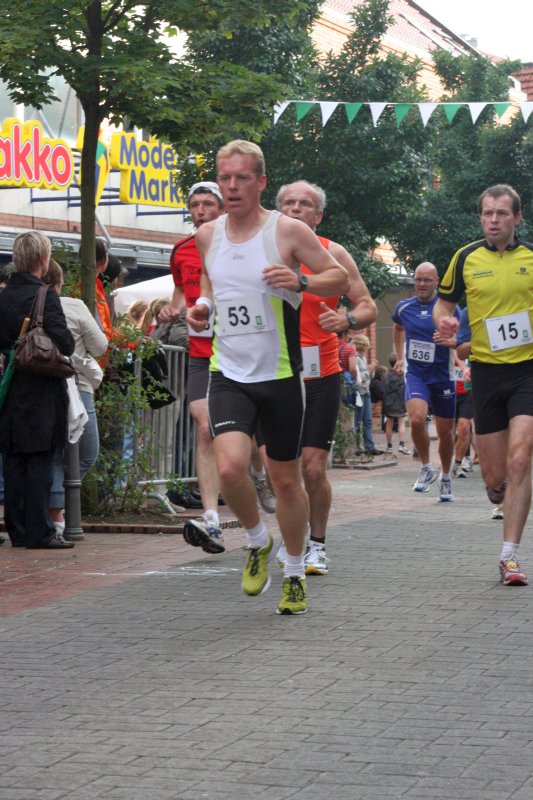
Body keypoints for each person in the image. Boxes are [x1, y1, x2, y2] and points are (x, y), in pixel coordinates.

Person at [187, 140, 350, 615]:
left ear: (260, 181)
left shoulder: (287, 230)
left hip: (280, 376)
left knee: (285, 482)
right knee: (230, 468)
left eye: (241, 178)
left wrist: (300, 281)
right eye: (225, 178)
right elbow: (210, 285)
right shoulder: (208, 235)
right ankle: (258, 540)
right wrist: (202, 309)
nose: (232, 186)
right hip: (228, 372)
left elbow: (338, 277)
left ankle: (295, 574)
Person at [275, 180, 377, 574]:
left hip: (321, 372)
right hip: (274, 372)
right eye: (289, 202)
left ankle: (316, 545)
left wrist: (346, 319)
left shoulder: (333, 253)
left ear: (318, 216)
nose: (296, 208)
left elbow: (367, 306)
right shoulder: (263, 250)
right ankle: (291, 539)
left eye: (305, 204)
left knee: (313, 467)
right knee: (280, 470)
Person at [434, 184, 533, 584]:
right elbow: (444, 303)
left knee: (521, 458)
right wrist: (446, 322)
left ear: (517, 218)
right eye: (488, 214)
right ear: (480, 218)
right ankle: (499, 491)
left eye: (502, 213)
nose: (494, 220)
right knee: (494, 478)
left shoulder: (531, 257)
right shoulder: (465, 257)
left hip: (528, 369)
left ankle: (510, 556)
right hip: (487, 372)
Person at [158, 181, 227, 549]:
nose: (200, 210)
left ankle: (258, 474)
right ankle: (211, 515)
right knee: (204, 428)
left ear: (222, 208)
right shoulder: (181, 250)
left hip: (240, 351)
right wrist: (171, 310)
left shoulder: (239, 245)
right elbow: (181, 293)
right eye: (195, 204)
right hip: (202, 352)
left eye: (208, 203)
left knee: (244, 434)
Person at [0, 231, 75, 549]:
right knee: (40, 461)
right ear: (43, 259)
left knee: (14, 461)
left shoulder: (3, 296)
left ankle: (17, 530)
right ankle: (39, 531)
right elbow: (65, 342)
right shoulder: (45, 294)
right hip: (42, 390)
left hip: (11, 386)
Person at [42, 259, 108, 535]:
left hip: (38, 386)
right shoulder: (74, 306)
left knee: (52, 453)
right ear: (60, 283)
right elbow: (101, 346)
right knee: (87, 451)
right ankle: (58, 508)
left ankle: (54, 507)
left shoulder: (27, 303)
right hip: (77, 386)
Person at [392, 262, 460, 501]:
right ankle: (426, 467)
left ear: (436, 281)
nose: (421, 284)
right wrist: (400, 357)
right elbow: (398, 329)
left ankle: (445, 476)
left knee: (445, 432)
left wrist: (451, 341)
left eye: (427, 280)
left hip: (442, 375)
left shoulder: (448, 308)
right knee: (417, 419)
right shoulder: (404, 307)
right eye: (418, 279)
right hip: (416, 374)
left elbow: (462, 338)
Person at [352, 334, 382, 456]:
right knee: (358, 421)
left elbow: (369, 376)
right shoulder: (355, 358)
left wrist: (372, 369)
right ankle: (357, 447)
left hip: (366, 392)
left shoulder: (363, 358)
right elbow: (358, 377)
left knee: (368, 421)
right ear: (363, 346)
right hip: (359, 393)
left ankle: (370, 446)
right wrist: (369, 369)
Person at [382, 354, 411, 455]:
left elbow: (383, 389)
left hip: (389, 403)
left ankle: (389, 446)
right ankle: (401, 445)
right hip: (401, 402)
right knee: (401, 423)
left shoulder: (386, 375)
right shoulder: (403, 375)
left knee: (389, 423)